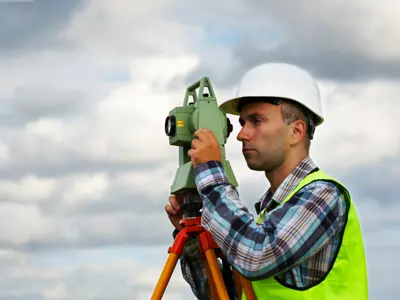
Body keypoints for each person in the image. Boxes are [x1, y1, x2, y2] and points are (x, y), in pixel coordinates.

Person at [165, 62, 368, 299]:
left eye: (256, 121)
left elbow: (258, 256)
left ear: (297, 131)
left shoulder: (324, 196)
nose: (241, 134)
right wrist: (191, 237)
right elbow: (225, 295)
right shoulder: (268, 216)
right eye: (241, 123)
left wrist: (211, 174)